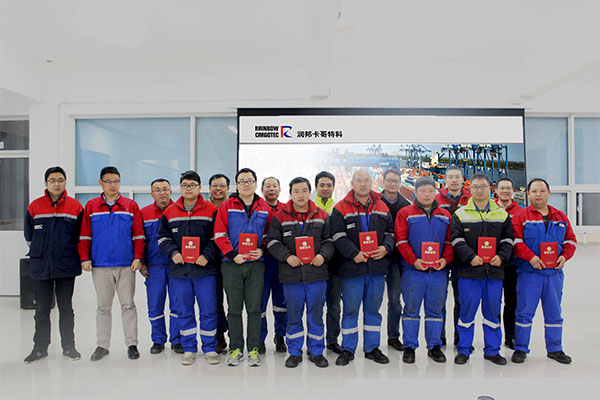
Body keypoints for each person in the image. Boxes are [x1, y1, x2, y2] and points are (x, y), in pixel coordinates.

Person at [266, 177, 335, 368]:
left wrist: (323, 255)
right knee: (293, 315)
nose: (301, 195)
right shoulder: (280, 216)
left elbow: (330, 240)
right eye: (296, 191)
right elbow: (272, 241)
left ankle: (316, 351)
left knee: (316, 314)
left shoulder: (321, 215)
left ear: (309, 192)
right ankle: (294, 351)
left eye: (304, 190)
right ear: (290, 194)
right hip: (291, 275)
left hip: (316, 274)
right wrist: (287, 256)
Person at [78, 166, 145, 361]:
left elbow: (138, 235)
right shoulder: (91, 206)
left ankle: (132, 344)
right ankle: (102, 345)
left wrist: (138, 258)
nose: (113, 185)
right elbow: (84, 235)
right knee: (103, 307)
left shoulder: (130, 206)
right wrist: (84, 258)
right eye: (109, 181)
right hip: (100, 265)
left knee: (128, 306)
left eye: (116, 181)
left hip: (126, 265)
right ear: (101, 183)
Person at [330, 169, 394, 366]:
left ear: (371, 182)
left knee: (373, 310)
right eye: (359, 180)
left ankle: (372, 348)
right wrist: (353, 254)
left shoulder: (382, 206)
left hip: (376, 268)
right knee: (350, 310)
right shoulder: (341, 208)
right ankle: (348, 349)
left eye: (366, 180)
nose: (363, 184)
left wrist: (385, 248)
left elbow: (390, 232)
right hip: (352, 269)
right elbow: (337, 235)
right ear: (352, 183)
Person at [511, 178, 577, 364]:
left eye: (542, 191)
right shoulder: (521, 216)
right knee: (524, 312)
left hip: (554, 274)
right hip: (529, 273)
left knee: (554, 312)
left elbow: (570, 240)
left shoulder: (560, 217)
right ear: (528, 194)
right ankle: (520, 348)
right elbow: (517, 242)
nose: (538, 195)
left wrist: (565, 256)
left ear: (548, 193)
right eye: (534, 191)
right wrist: (531, 257)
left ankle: (555, 348)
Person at [157, 170, 220, 366]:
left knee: (208, 310)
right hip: (180, 271)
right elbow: (163, 238)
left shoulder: (211, 210)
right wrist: (173, 253)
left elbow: (218, 237)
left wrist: (206, 255)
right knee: (184, 311)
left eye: (192, 185)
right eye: (185, 185)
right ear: (180, 188)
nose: (188, 188)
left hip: (205, 271)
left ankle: (210, 348)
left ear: (199, 187)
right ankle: (189, 348)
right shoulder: (170, 211)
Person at [451, 173, 514, 365]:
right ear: (470, 190)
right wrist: (470, 257)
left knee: (492, 312)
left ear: (490, 189)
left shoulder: (501, 214)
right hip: (469, 272)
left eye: (483, 186)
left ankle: (492, 351)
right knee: (466, 312)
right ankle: (464, 349)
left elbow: (508, 240)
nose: (480, 190)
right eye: (476, 187)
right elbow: (456, 239)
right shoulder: (460, 214)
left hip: (493, 273)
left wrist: (501, 257)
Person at [23, 166, 84, 363]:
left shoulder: (75, 206)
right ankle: (40, 348)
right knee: (42, 309)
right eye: (52, 180)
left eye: (60, 180)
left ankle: (69, 347)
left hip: (66, 265)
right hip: (41, 266)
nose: (56, 184)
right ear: (46, 183)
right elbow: (29, 236)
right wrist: (40, 252)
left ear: (65, 182)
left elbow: (80, 236)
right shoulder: (35, 206)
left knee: (66, 308)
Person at [214, 168, 272, 367]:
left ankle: (253, 348)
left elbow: (270, 235)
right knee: (234, 309)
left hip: (256, 265)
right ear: (237, 185)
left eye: (250, 180)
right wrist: (232, 254)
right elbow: (219, 234)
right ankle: (236, 348)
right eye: (242, 181)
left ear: (255, 184)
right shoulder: (226, 206)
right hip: (232, 265)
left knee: (255, 309)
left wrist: (262, 250)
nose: (246, 184)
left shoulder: (264, 207)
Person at [395, 177, 453, 364]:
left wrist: (445, 259)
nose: (427, 194)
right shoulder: (405, 213)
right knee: (411, 310)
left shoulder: (445, 215)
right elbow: (401, 241)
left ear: (435, 192)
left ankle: (434, 346)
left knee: (435, 310)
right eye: (422, 191)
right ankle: (409, 346)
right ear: (415, 193)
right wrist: (414, 261)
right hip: (413, 271)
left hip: (438, 272)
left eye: (430, 191)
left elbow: (450, 242)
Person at [140, 178, 181, 355]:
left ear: (171, 192)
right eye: (157, 190)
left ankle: (177, 340)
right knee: (155, 305)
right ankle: (158, 340)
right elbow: (140, 240)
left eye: (165, 189)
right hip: (154, 267)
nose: (162, 193)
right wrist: (142, 262)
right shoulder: (144, 213)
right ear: (152, 194)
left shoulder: (179, 211)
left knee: (177, 304)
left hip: (176, 266)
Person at [435, 165, 471, 346]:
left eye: (457, 177)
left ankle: (460, 337)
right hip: (440, 254)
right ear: (445, 179)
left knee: (461, 299)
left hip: (463, 255)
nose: (454, 180)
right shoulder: (436, 199)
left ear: (463, 179)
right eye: (451, 177)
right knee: (439, 299)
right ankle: (438, 337)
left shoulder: (471, 200)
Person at [380, 168, 411, 352]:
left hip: (396, 259)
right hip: (376, 256)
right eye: (389, 180)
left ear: (400, 183)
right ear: (383, 181)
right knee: (371, 302)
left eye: (396, 181)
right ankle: (369, 339)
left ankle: (393, 336)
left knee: (395, 300)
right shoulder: (375, 202)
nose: (392, 184)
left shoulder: (406, 205)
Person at [314, 171, 342, 354]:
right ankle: (315, 341)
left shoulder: (338, 208)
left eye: (329, 185)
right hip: (315, 264)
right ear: (316, 187)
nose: (325, 188)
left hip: (335, 265)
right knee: (315, 306)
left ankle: (332, 340)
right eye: (322, 185)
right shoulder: (309, 207)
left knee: (334, 306)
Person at [259, 176, 287, 354]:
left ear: (280, 189)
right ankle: (260, 338)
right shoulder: (257, 209)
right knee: (259, 303)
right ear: (262, 190)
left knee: (281, 302)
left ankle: (280, 336)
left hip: (281, 263)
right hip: (262, 262)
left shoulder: (287, 209)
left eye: (274, 185)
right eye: (268, 186)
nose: (271, 189)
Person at [494, 177, 523, 349]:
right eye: (502, 188)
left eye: (508, 188)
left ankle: (510, 336)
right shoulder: (490, 209)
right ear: (496, 191)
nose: (505, 191)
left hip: (513, 264)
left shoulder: (521, 211)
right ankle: (494, 337)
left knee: (512, 301)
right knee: (493, 302)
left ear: (513, 191)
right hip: (494, 263)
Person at [207, 173, 231, 353]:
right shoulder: (204, 207)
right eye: (215, 185)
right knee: (215, 301)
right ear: (209, 188)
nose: (218, 189)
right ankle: (219, 335)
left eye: (222, 185)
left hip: (231, 259)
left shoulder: (234, 206)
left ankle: (236, 336)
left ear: (228, 188)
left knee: (234, 301)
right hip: (210, 261)